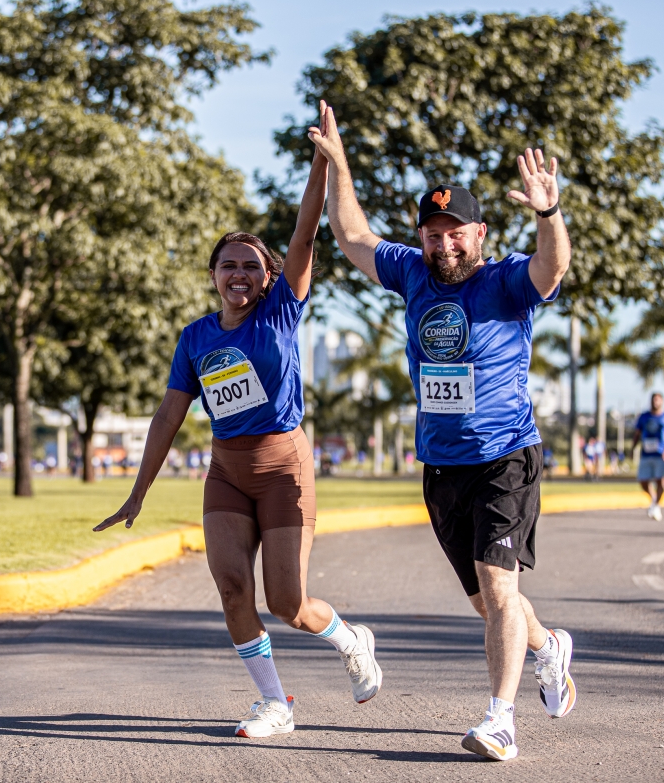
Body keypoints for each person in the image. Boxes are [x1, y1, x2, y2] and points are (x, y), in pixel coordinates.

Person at [95, 102, 381, 739]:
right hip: (226, 472)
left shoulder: (280, 312)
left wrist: (324, 162)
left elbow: (304, 235)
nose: (240, 274)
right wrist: (137, 492)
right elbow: (169, 415)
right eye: (229, 265)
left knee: (287, 603)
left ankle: (349, 638)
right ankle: (275, 703)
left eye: (252, 265)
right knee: (231, 589)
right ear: (213, 277)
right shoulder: (195, 337)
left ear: (269, 277)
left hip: (283, 469)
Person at [309, 105, 575, 762]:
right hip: (440, 465)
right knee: (490, 603)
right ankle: (548, 647)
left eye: (456, 234)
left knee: (499, 587)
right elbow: (351, 235)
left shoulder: (505, 281)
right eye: (433, 234)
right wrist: (338, 164)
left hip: (505, 456)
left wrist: (548, 213)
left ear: (479, 233)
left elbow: (552, 269)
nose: (444, 245)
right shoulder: (412, 273)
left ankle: (500, 720)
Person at [633, 393, 664, 521]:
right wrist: (633, 447)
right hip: (646, 454)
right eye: (653, 400)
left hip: (661, 454)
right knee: (643, 480)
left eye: (658, 400)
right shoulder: (644, 417)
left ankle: (656, 505)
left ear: (662, 401)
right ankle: (654, 500)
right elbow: (637, 433)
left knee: (661, 481)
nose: (655, 402)